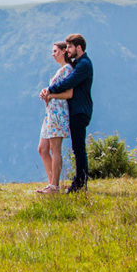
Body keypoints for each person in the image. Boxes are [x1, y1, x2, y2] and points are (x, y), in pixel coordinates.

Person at [41, 33, 93, 192]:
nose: (68, 50)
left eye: (70, 47)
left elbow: (69, 82)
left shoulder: (83, 64)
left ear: (79, 47)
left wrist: (50, 90)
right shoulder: (78, 63)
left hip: (79, 110)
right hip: (75, 110)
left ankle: (79, 183)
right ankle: (78, 181)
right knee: (77, 148)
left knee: (78, 148)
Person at [36, 41, 73, 193]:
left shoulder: (68, 70)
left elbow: (69, 94)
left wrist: (51, 94)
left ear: (64, 51)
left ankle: (54, 186)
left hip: (59, 113)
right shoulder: (60, 71)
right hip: (50, 114)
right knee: (43, 149)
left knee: (55, 149)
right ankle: (52, 183)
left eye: (55, 51)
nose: (53, 54)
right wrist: (46, 93)